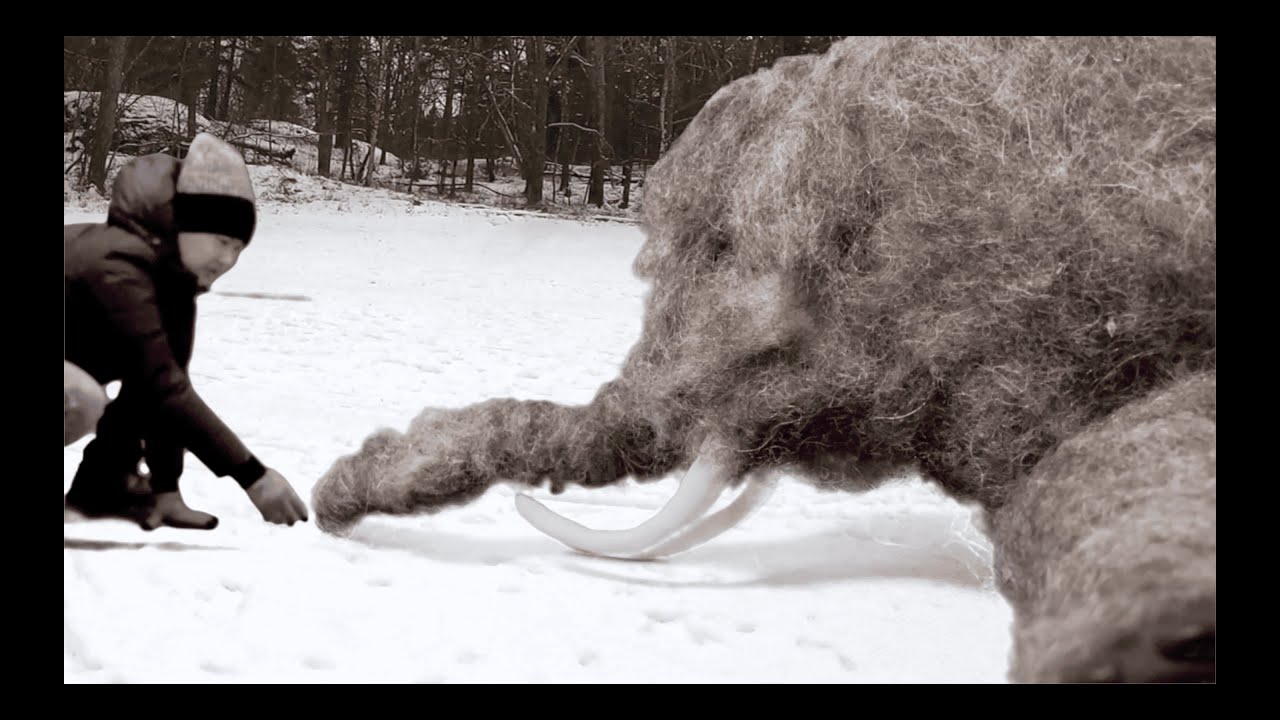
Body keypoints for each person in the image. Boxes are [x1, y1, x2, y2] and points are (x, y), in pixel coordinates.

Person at [64, 132, 309, 531]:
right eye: (222, 241)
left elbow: (166, 386)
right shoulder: (117, 262)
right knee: (79, 399)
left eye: (239, 250)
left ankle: (103, 487)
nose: (228, 259)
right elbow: (165, 388)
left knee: (143, 388)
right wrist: (253, 477)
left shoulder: (171, 280)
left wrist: (166, 488)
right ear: (186, 226)